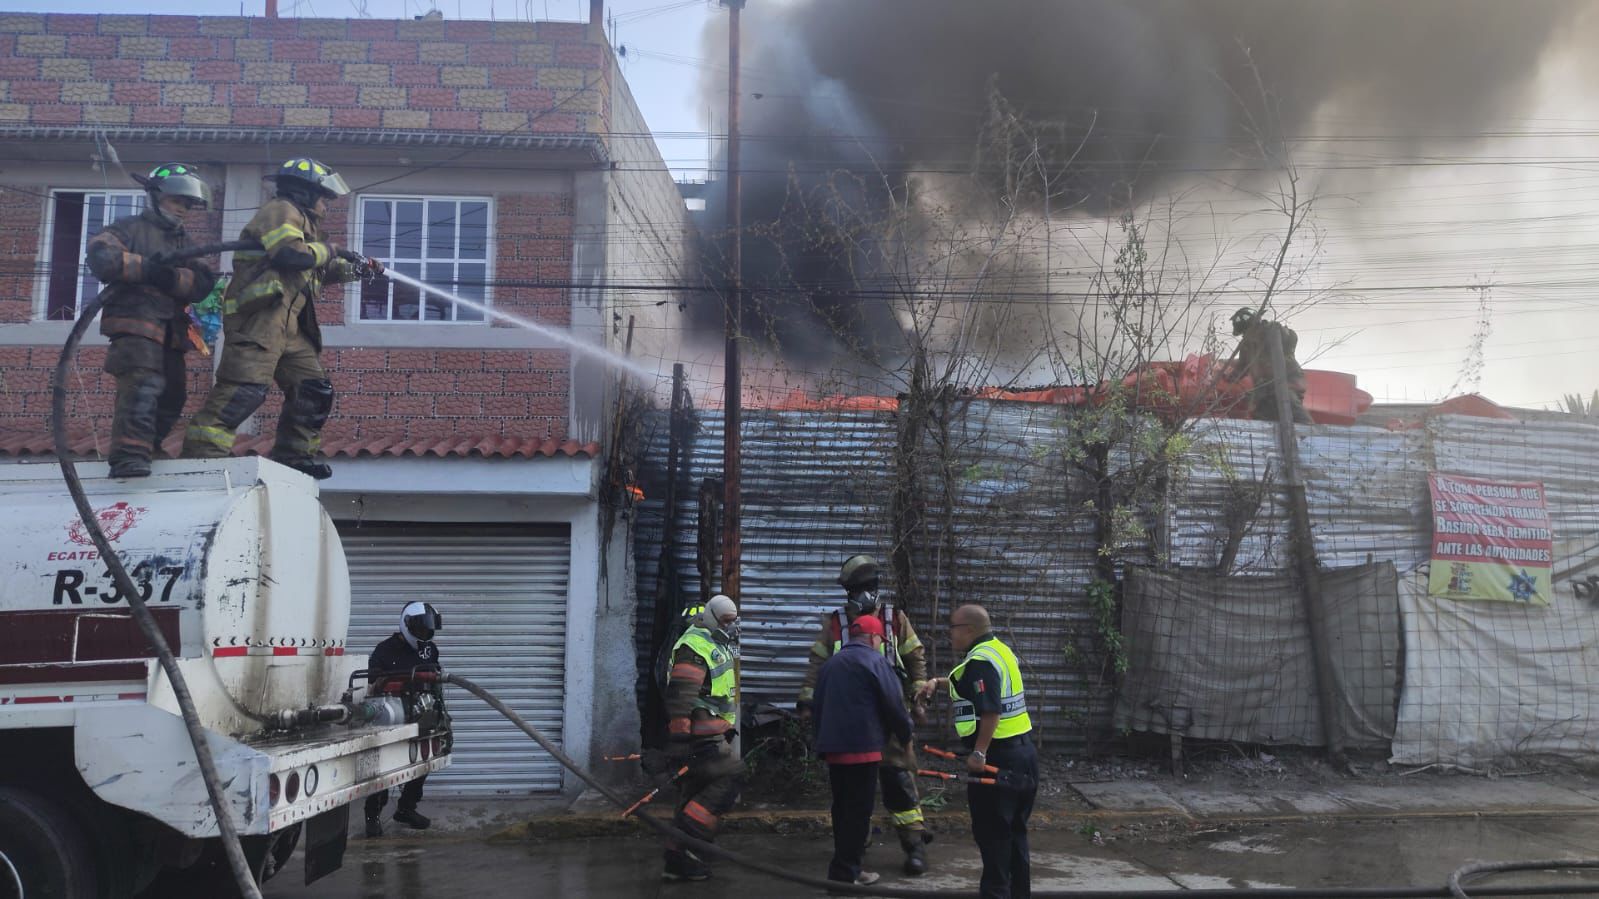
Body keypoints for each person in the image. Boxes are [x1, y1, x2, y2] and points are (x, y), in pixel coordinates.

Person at [182, 157, 383, 479]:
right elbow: (289, 256)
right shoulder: (281, 210)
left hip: (291, 328)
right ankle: (200, 463)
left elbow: (311, 269)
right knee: (243, 393)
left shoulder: (306, 224)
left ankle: (294, 457)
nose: (326, 205)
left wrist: (353, 269)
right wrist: (331, 249)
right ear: (304, 191)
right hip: (259, 321)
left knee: (313, 390)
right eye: (323, 197)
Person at [797, 554, 931, 875]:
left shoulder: (895, 620)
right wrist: (806, 703)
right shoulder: (836, 623)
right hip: (856, 723)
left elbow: (915, 658)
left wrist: (918, 693)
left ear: (874, 587)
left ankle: (914, 846)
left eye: (864, 588)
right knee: (855, 792)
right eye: (853, 590)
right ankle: (857, 847)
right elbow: (817, 665)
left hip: (888, 716)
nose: (858, 596)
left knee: (899, 781)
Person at [85, 163, 219, 479]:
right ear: (157, 196)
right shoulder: (128, 228)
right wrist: (147, 269)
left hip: (171, 333)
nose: (183, 210)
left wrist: (169, 277)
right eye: (178, 202)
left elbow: (202, 283)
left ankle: (149, 448)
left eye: (188, 205)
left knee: (174, 395)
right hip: (135, 327)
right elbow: (101, 257)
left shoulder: (185, 243)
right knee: (143, 388)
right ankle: (129, 456)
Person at [915, 604, 1037, 899]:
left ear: (968, 630)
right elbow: (973, 688)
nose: (949, 634)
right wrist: (937, 683)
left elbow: (990, 710)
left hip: (998, 759)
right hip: (1024, 757)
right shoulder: (998, 650)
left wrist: (979, 753)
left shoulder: (981, 661)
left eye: (953, 628)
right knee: (1014, 836)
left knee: (994, 839)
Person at [812, 613, 914, 888]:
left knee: (843, 810)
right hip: (863, 750)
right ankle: (845, 875)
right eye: (880, 640)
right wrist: (906, 738)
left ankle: (849, 868)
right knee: (858, 813)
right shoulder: (876, 661)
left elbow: (816, 705)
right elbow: (894, 705)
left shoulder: (831, 665)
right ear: (873, 638)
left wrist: (820, 742)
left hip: (834, 751)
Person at [661, 594, 745, 882]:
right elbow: (681, 696)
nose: (731, 627)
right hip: (699, 739)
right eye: (725, 621)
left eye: (734, 621)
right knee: (729, 779)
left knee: (693, 794)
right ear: (711, 617)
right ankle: (690, 839)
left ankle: (679, 860)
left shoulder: (714, 643)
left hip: (712, 734)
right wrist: (680, 741)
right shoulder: (694, 646)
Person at [364, 601, 444, 838]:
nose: (423, 635)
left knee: (422, 763)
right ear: (407, 624)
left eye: (427, 630)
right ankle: (372, 815)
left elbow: (436, 674)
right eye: (419, 629)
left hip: (421, 712)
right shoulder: (384, 650)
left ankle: (406, 809)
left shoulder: (429, 649)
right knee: (386, 768)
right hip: (392, 714)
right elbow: (372, 682)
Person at [1231, 306, 1312, 424]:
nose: (1245, 336)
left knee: (1293, 410)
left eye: (1246, 332)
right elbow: (1241, 369)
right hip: (1264, 391)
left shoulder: (1272, 332)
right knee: (1260, 415)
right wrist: (1227, 376)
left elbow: (1291, 338)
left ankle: (1309, 436)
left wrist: (1279, 330)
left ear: (1255, 325)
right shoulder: (1246, 346)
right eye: (1243, 334)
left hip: (1287, 383)